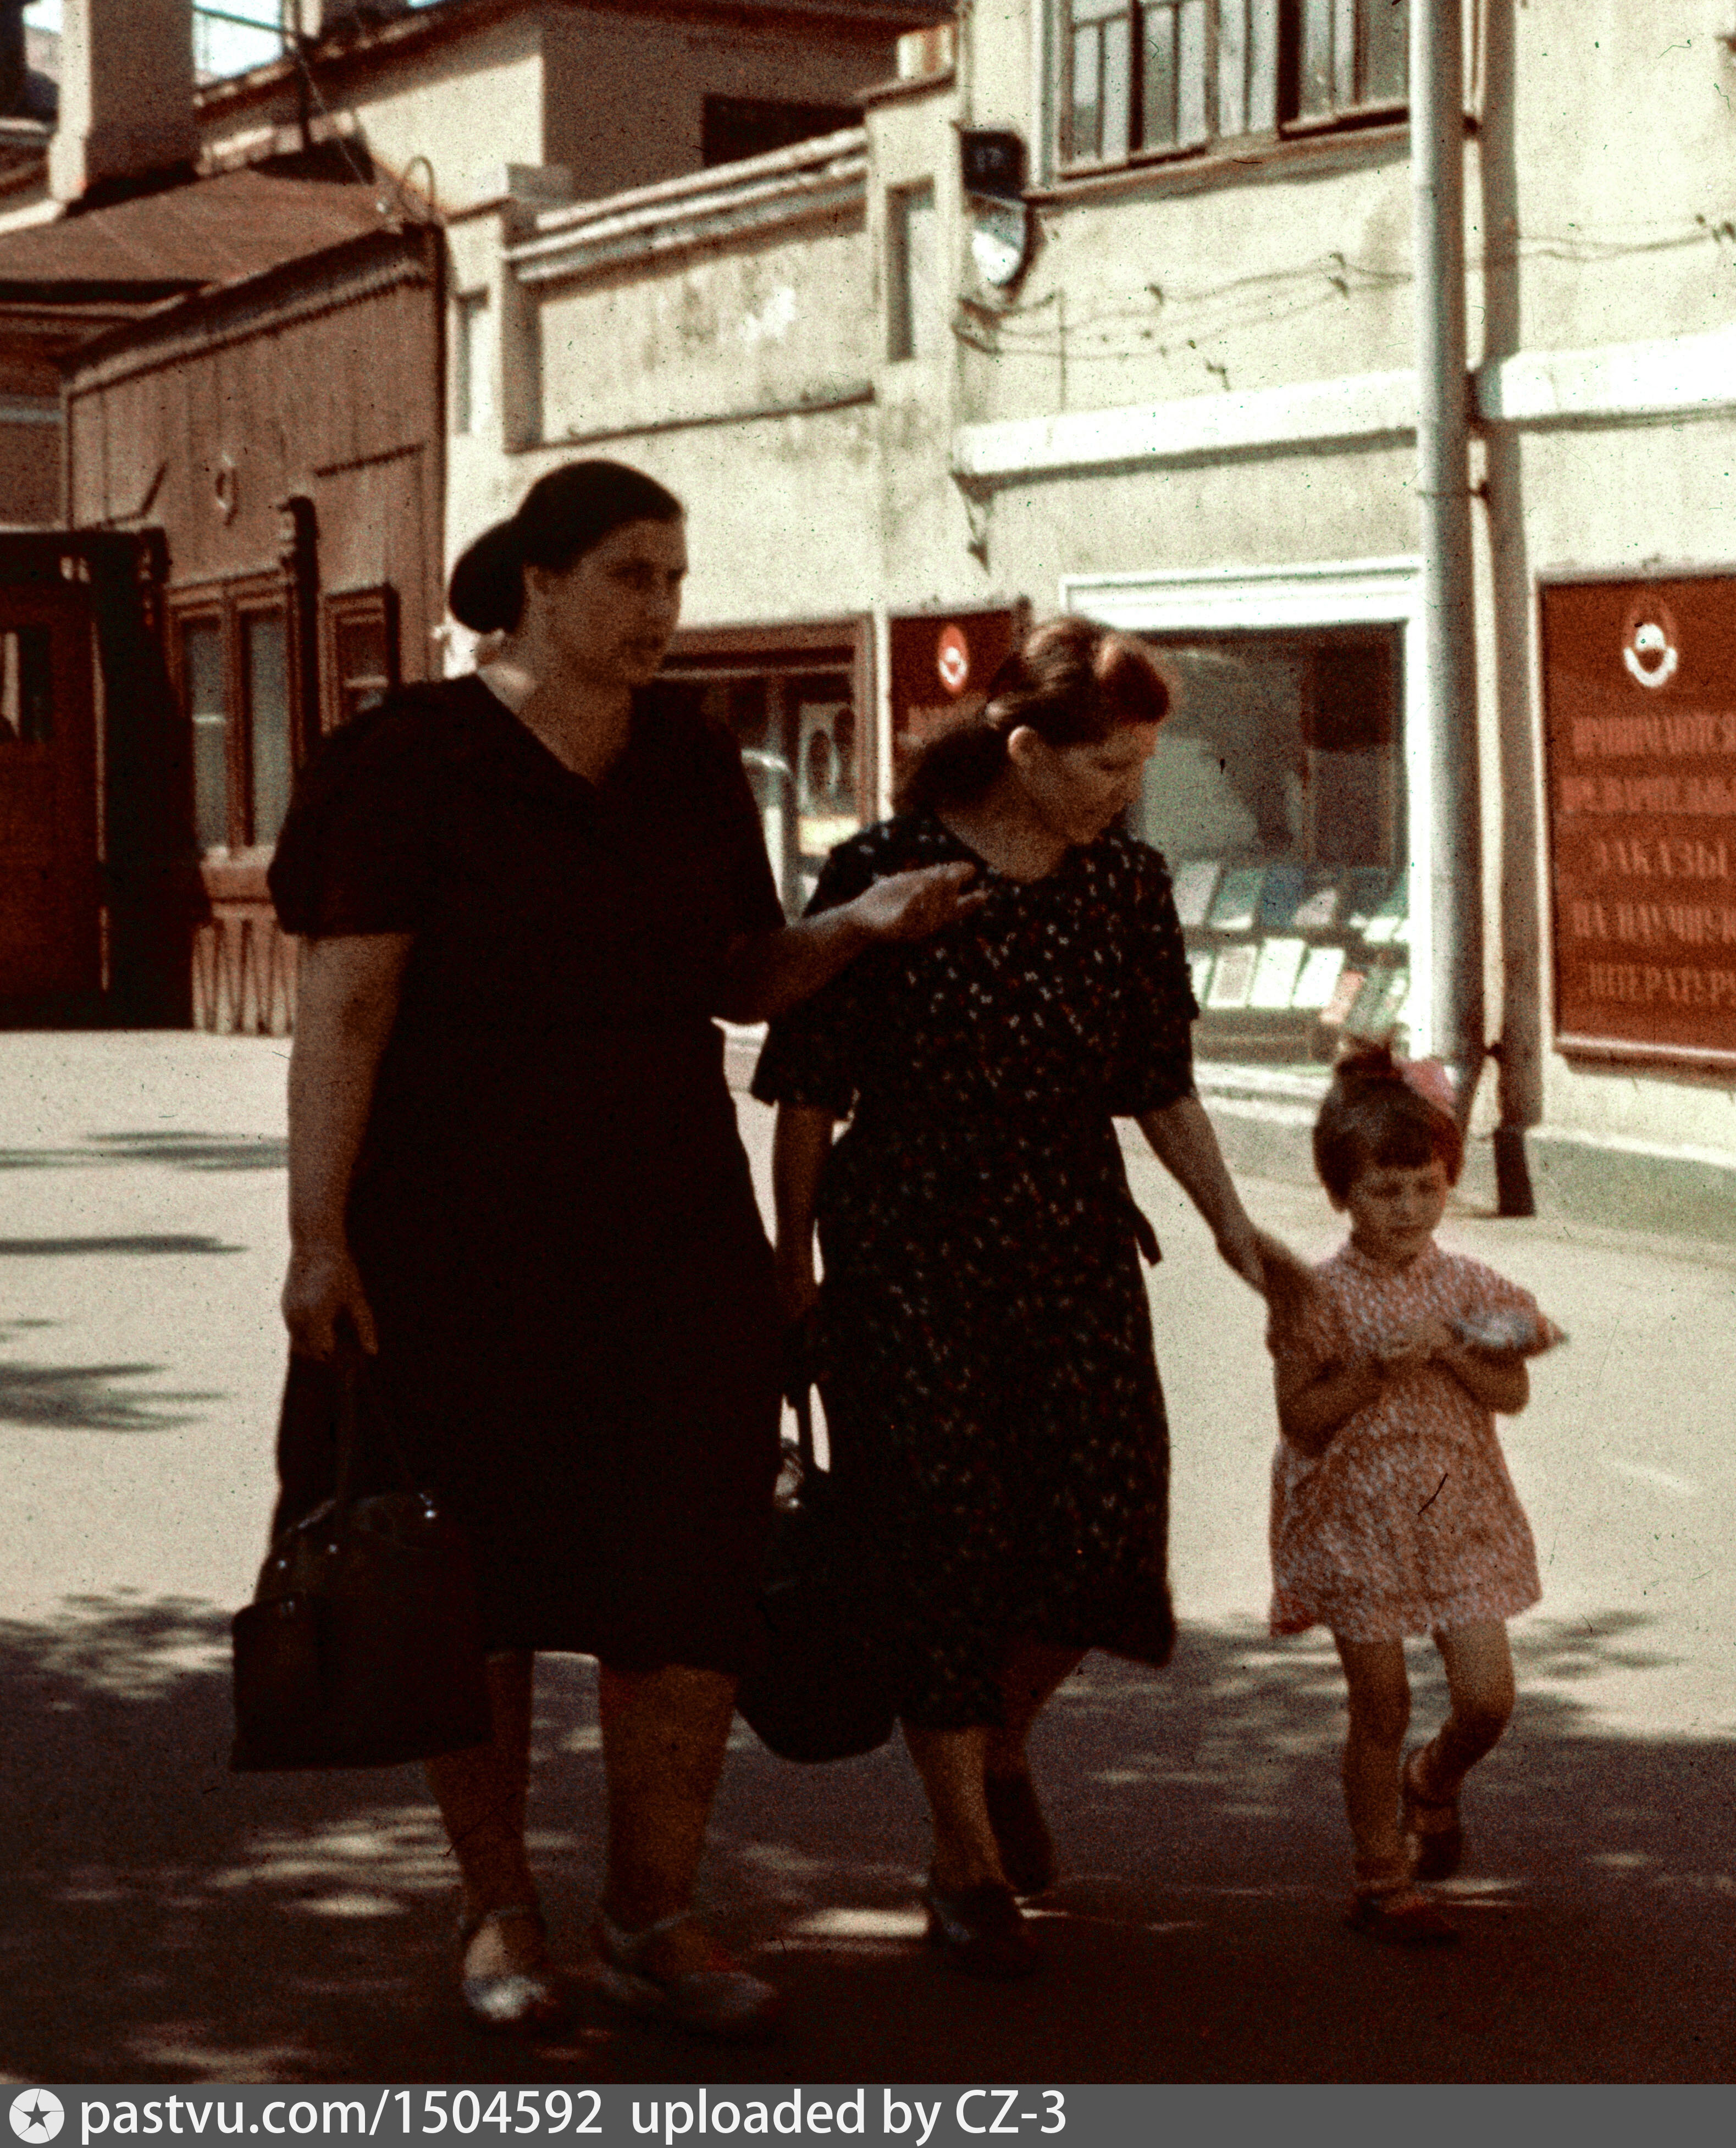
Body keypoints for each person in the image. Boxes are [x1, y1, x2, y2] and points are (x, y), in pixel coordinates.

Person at [272, 460, 980, 2041]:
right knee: (478, 1581)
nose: (663, 608)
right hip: (452, 1226)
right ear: (533, 581)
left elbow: (736, 974)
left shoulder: (690, 762)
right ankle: (499, 1909)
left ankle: (657, 1910)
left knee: (688, 1575)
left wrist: (856, 929)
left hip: (667, 1226)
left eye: (676, 575)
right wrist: (317, 1231)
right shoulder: (405, 764)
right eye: (629, 575)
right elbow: (347, 1006)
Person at [756, 617, 1285, 1981]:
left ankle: (999, 1742)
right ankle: (961, 1854)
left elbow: (1157, 1076)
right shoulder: (885, 868)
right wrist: (791, 1264)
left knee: (1104, 1523)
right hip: (909, 1243)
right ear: (1026, 746)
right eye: (1106, 764)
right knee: (941, 1536)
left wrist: (1233, 1227)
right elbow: (810, 1083)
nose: (1127, 788)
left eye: (1142, 763)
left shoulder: (1124, 885)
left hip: (1067, 1238)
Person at [1263, 1051, 1555, 1946]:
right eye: (1386, 1189)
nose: (1409, 1208)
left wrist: (1458, 1353)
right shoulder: (1315, 1294)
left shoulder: (1469, 1286)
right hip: (1356, 1524)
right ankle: (1380, 1878)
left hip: (1458, 1515)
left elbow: (1517, 1384)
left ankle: (1433, 1779)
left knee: (1489, 1696)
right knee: (1380, 1701)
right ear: (1343, 1193)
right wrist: (1367, 1374)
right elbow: (1302, 1417)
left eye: (1425, 1186)